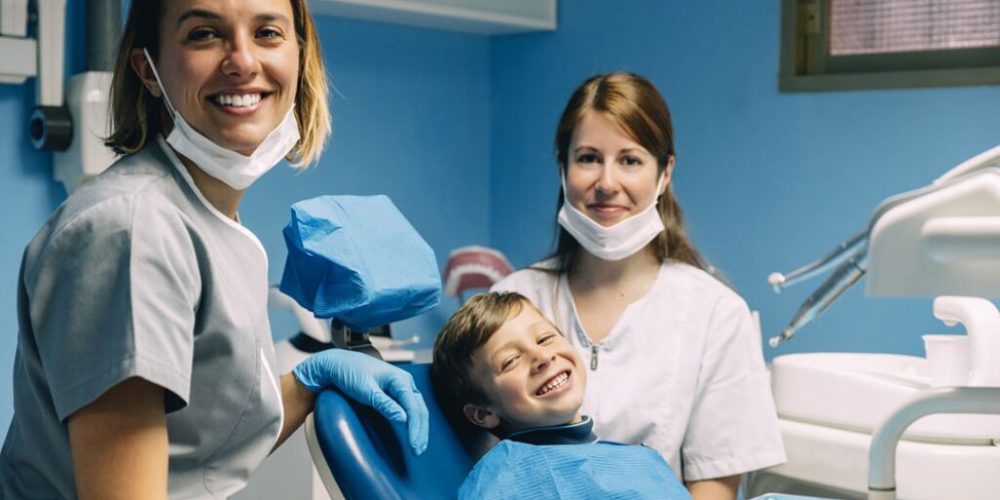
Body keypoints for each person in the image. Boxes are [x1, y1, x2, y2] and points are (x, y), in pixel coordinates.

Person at [0, 1, 427, 498]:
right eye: (204, 34)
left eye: (267, 32)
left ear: (299, 56)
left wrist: (311, 380)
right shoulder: (131, 232)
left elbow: (192, 453)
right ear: (149, 70)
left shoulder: (200, 217)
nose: (243, 61)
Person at [491, 72, 785, 499]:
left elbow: (714, 488)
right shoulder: (512, 300)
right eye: (589, 158)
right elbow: (478, 454)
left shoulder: (715, 313)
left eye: (630, 160)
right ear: (562, 165)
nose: (607, 182)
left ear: (664, 172)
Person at [432, 291, 691, 500]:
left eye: (544, 339)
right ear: (484, 413)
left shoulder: (640, 460)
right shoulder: (503, 482)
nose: (543, 357)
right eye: (511, 361)